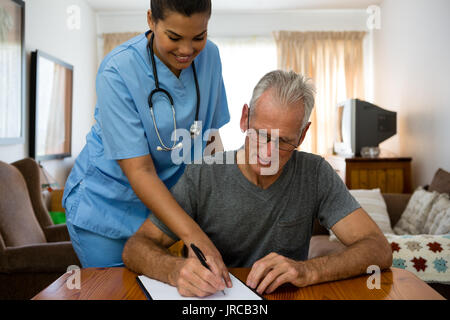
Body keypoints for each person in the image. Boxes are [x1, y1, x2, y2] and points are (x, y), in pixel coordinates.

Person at [121, 70, 393, 297]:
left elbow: (378, 249)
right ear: (244, 118)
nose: (267, 152)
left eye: (284, 141)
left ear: (302, 135)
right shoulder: (203, 173)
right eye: (260, 135)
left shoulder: (316, 173)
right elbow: (136, 247)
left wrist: (308, 270)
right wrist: (174, 269)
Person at [62, 0, 231, 286]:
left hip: (165, 211)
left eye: (198, 37)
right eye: (174, 37)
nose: (187, 50)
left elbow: (211, 139)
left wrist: (223, 203)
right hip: (107, 207)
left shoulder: (211, 57)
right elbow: (140, 171)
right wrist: (195, 235)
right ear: (151, 20)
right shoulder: (117, 70)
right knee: (120, 291)